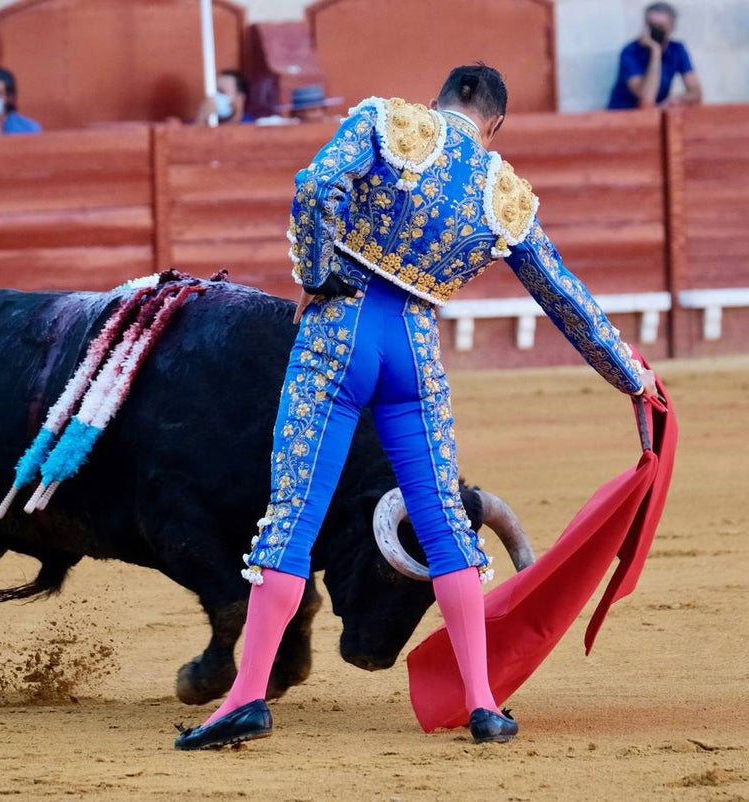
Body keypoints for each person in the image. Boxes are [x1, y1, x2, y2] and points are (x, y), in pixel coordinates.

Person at [173, 64, 657, 752]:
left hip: (338, 336)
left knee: (293, 517)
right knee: (443, 525)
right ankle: (484, 704)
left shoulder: (389, 122)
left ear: (446, 98)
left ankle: (246, 697)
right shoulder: (501, 189)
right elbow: (564, 296)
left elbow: (316, 185)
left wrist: (315, 272)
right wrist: (631, 376)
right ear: (493, 123)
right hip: (414, 353)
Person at [607, 2, 702, 110]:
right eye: (652, 26)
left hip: (656, 115)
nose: (656, 30)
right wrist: (655, 52)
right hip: (625, 115)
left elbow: (696, 93)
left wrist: (676, 99)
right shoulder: (630, 52)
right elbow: (646, 98)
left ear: (672, 27)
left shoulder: (677, 50)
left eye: (661, 27)